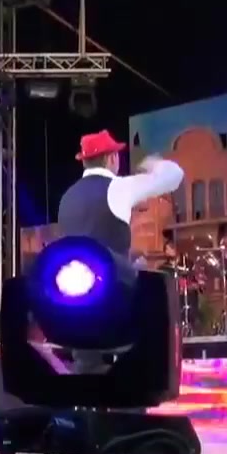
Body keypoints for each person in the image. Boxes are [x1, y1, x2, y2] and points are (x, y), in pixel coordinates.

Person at [57, 130, 184, 373]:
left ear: (84, 162)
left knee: (87, 367)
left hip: (72, 309)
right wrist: (152, 163)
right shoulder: (117, 188)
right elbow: (174, 176)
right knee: (150, 282)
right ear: (112, 158)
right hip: (111, 303)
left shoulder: (66, 199)